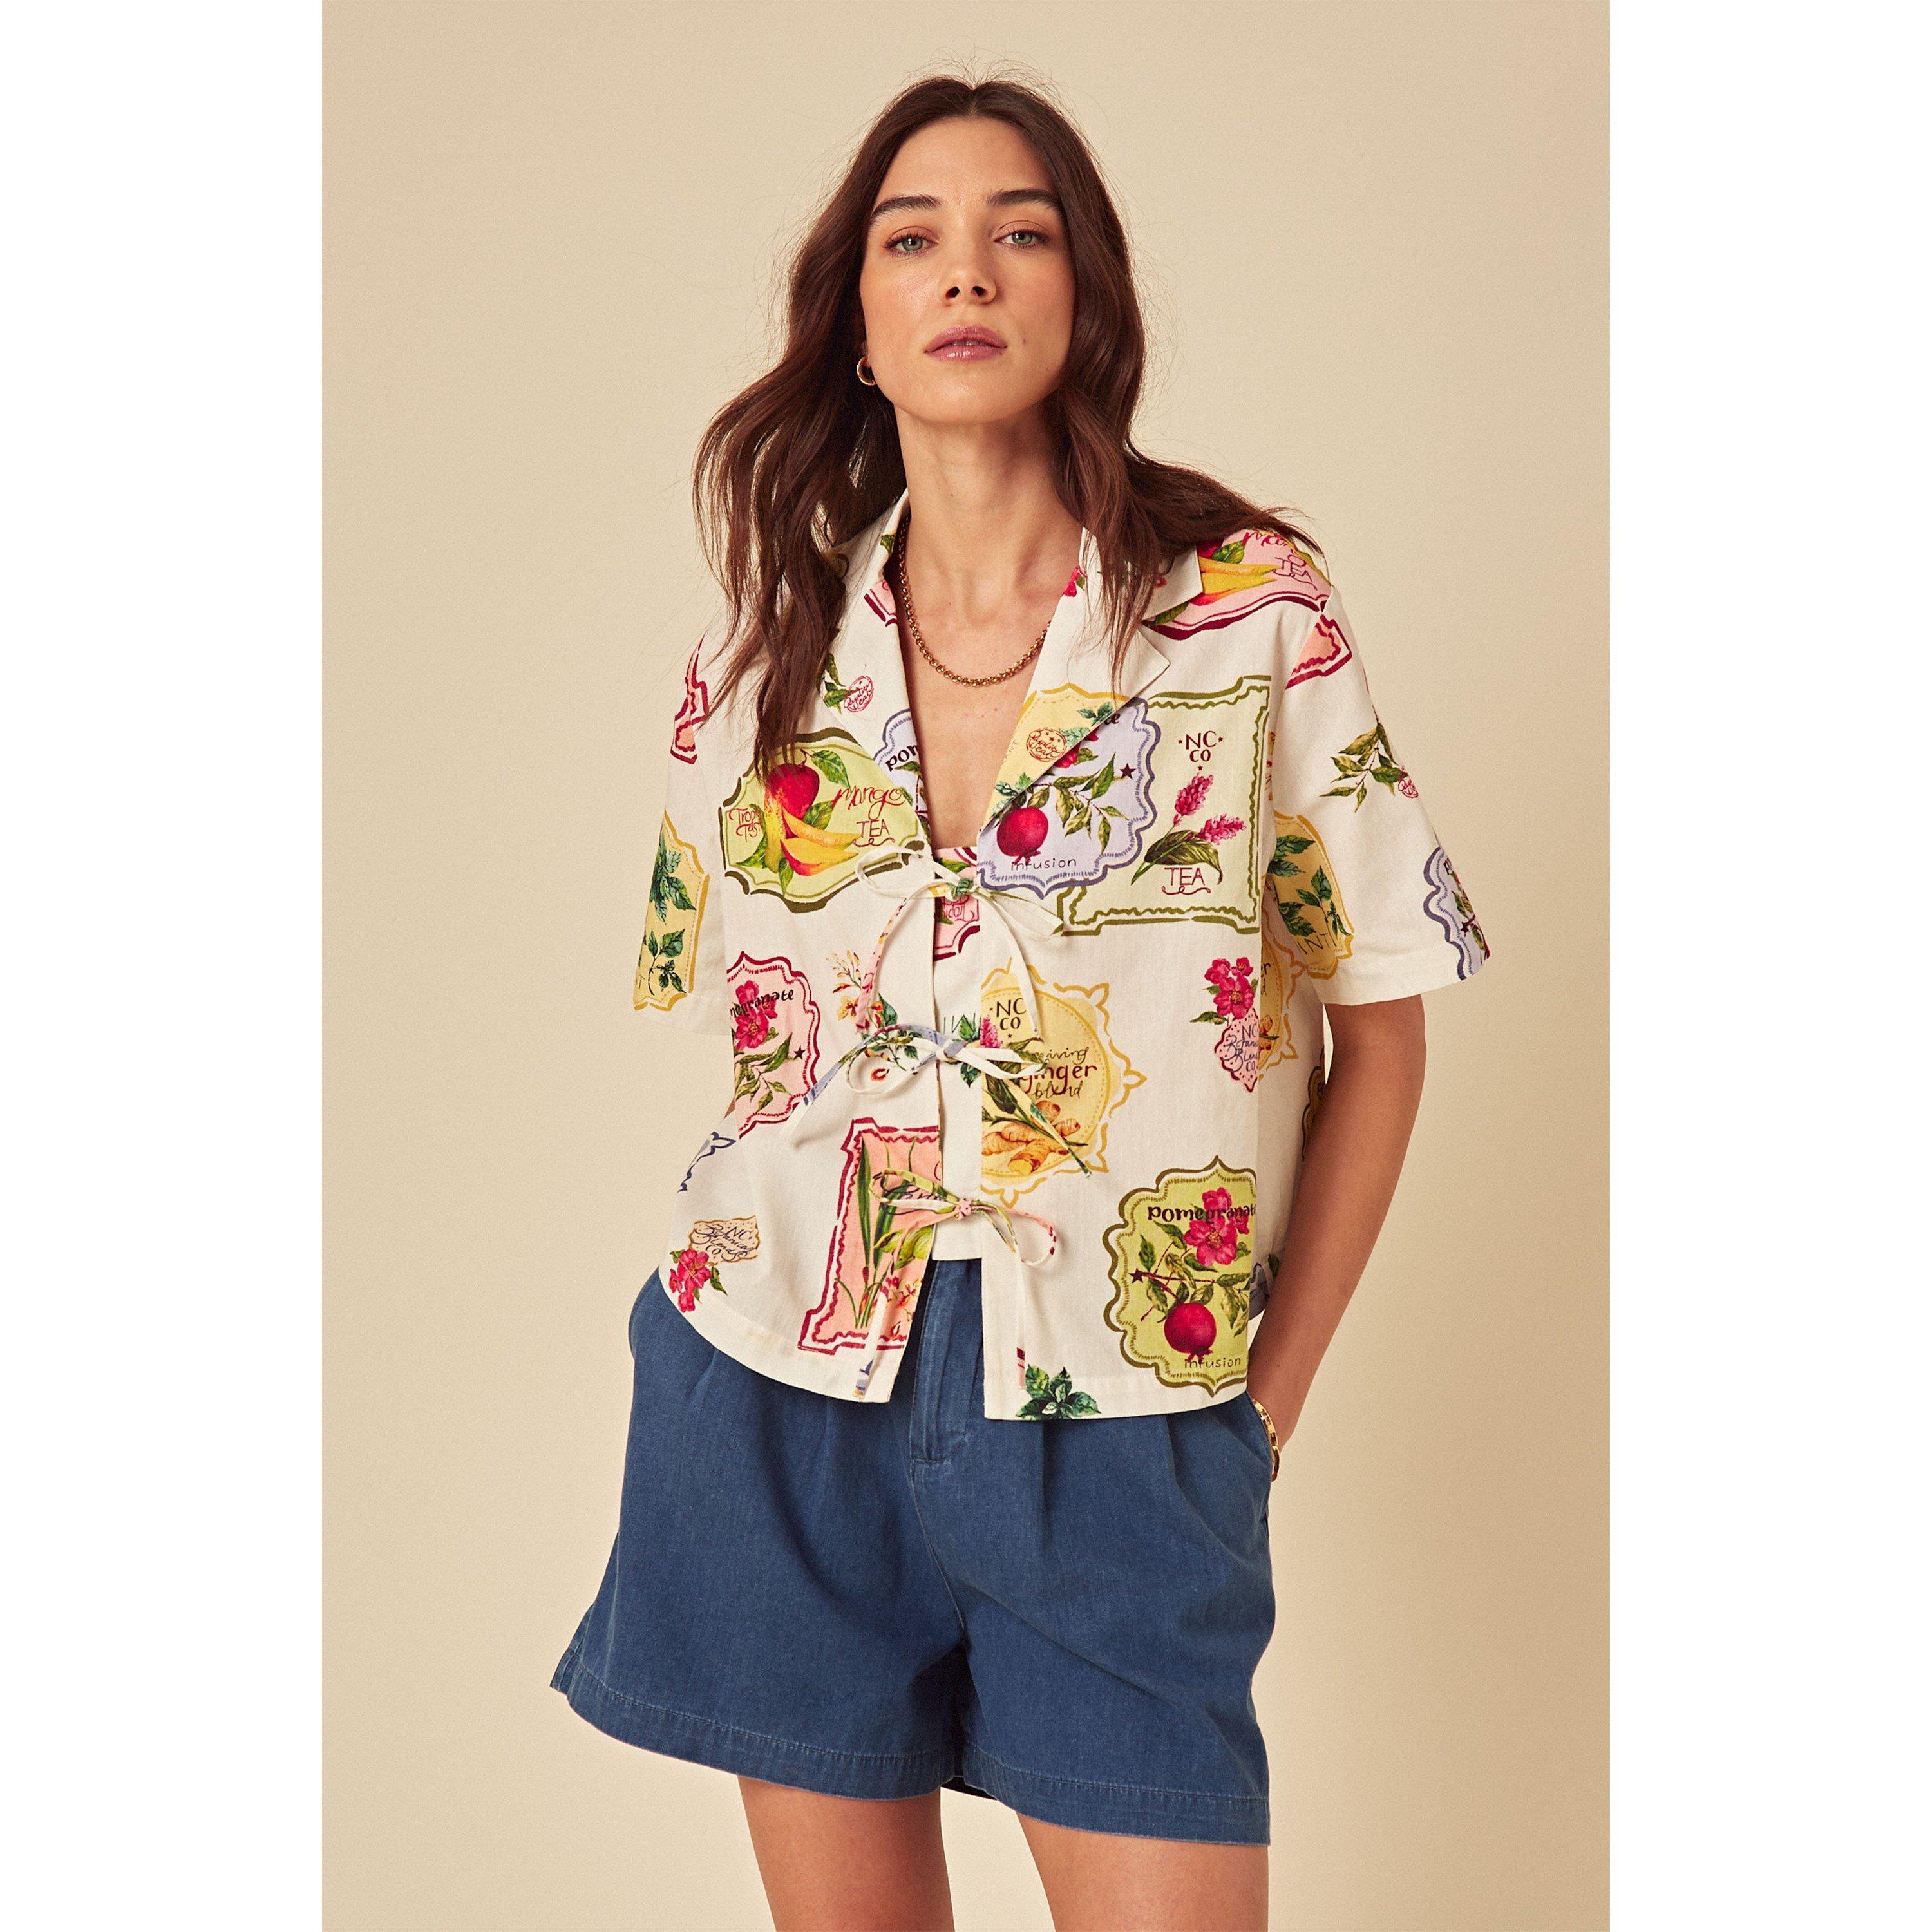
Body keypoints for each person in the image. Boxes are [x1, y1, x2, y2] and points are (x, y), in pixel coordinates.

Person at [553, 70, 1491, 1932]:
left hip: (1125, 1405)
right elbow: (752, 1056)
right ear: (861, 323)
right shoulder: (758, 655)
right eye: (914, 239)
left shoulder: (1251, 617)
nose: (966, 271)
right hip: (783, 1394)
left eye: (1020, 232)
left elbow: (1383, 1030)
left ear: (1084, 296)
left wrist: (1261, 1407)